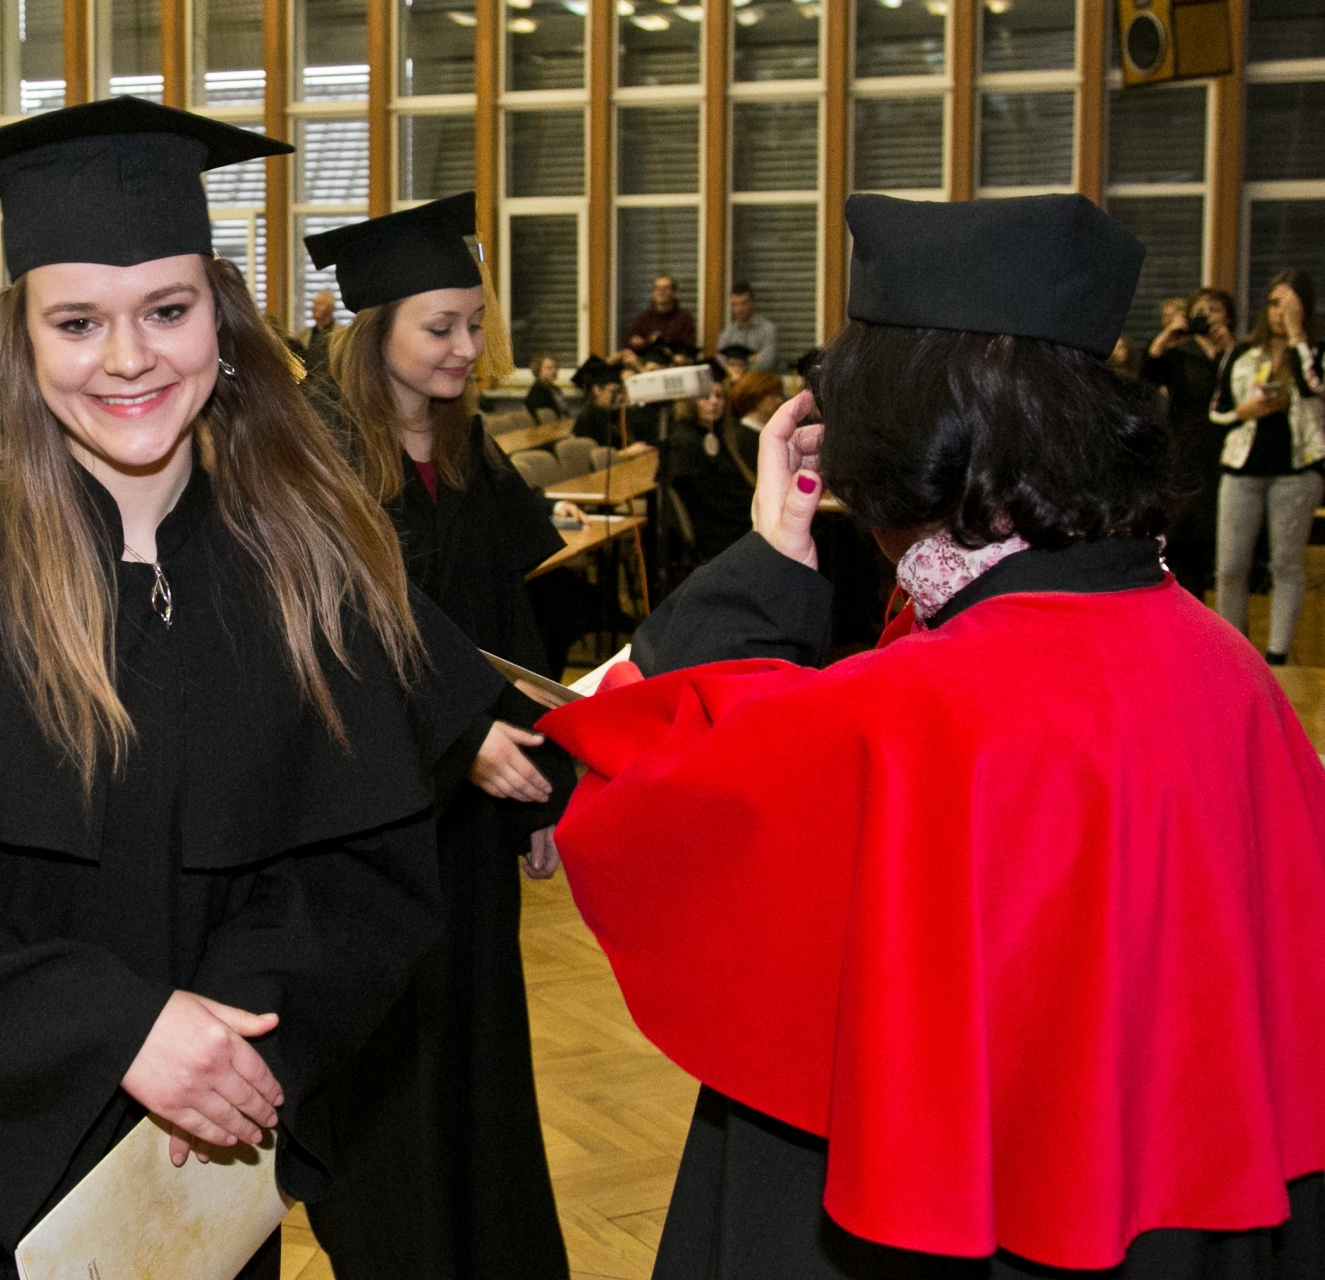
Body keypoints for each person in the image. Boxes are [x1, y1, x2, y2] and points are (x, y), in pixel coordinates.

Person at [0, 95, 502, 1280]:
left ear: (222, 321)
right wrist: (120, 1027)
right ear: (20, 342)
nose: (128, 358)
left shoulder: (307, 575)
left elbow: (360, 873)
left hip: (181, 1160)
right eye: (77, 321)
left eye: (167, 310)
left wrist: (227, 1031)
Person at [540, 193, 1325, 1279]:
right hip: (1180, 1209)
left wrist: (766, 565)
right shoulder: (1228, 667)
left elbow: (661, 784)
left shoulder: (917, 710)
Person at [302, 191, 574, 1280]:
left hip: (472, 819)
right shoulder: (316, 455)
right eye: (441, 327)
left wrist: (548, 782)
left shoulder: (468, 450)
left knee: (481, 1054)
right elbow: (332, 642)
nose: (467, 347)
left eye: (475, 323)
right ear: (375, 331)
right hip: (369, 818)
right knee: (393, 1074)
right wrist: (456, 738)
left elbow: (509, 625)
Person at [1211, 270, 1324, 666]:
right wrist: (1245, 412)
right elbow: (1217, 411)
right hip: (1242, 466)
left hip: (1297, 470)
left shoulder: (1316, 352)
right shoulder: (1243, 354)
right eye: (1275, 304)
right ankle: (1233, 654)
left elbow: (1313, 388)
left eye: (1290, 305)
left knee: (1286, 565)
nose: (1279, 312)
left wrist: (1297, 336)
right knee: (1229, 567)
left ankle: (1277, 657)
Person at [1142, 285, 1235, 600]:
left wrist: (1231, 351)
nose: (1207, 316)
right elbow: (1149, 377)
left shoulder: (1238, 354)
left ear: (1228, 316)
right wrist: (1167, 336)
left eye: (1215, 309)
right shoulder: (1181, 353)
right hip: (1187, 448)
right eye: (1200, 311)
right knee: (1185, 533)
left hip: (1226, 449)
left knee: (1221, 534)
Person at [670, 376, 754, 562]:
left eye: (719, 396)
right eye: (705, 396)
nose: (714, 401)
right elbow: (711, 501)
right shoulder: (685, 442)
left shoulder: (716, 435)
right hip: (718, 533)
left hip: (734, 521)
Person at [625, 273, 697, 364]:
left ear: (674, 293)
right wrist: (644, 341)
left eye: (666, 288)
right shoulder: (644, 318)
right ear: (653, 293)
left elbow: (687, 347)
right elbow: (631, 342)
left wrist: (660, 340)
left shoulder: (683, 318)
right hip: (644, 360)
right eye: (657, 288)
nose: (661, 291)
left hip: (671, 364)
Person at [716, 281, 778, 372]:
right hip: (734, 380)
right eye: (735, 304)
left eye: (743, 303)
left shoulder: (768, 329)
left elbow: (767, 362)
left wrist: (734, 364)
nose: (739, 309)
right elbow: (720, 361)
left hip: (758, 379)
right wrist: (752, 359)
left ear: (752, 303)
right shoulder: (727, 332)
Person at [569, 353, 623, 445]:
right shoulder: (586, 420)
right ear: (597, 390)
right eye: (613, 392)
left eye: (620, 392)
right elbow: (590, 453)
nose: (619, 397)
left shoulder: (614, 414)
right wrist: (627, 452)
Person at [300, 288, 340, 379]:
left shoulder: (342, 335)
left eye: (320, 303)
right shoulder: (301, 337)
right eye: (314, 303)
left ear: (331, 308)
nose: (314, 307)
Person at [523, 352, 565, 421]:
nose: (554, 370)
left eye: (555, 367)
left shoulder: (555, 389)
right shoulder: (537, 392)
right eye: (549, 368)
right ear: (538, 370)